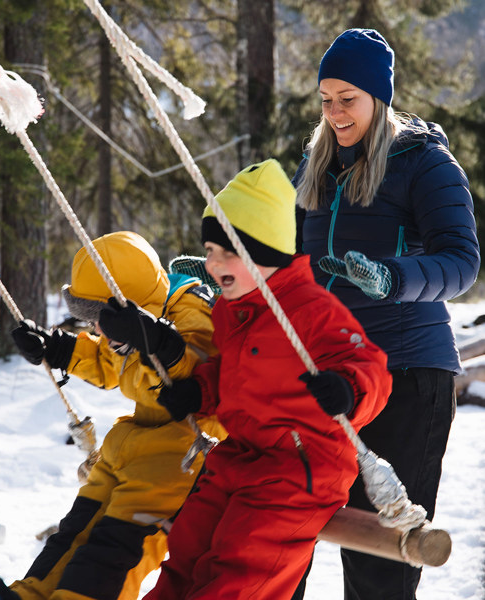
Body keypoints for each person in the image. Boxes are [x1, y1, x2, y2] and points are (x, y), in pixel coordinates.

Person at [143, 158, 392, 599]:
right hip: (240, 455)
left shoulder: (311, 309)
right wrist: (199, 391)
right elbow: (232, 372)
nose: (213, 263)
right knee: (185, 549)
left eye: (227, 253)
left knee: (241, 570)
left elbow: (370, 366)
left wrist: (348, 390)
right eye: (209, 251)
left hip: (299, 470)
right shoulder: (232, 308)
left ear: (264, 253)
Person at [292, 28, 480, 600]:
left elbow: (462, 261)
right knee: (282, 532)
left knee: (382, 561)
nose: (335, 112)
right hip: (332, 374)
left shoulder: (424, 163)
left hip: (406, 374)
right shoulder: (315, 164)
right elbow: (294, 256)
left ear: (379, 97)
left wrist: (394, 277)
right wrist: (233, 274)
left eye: (348, 99)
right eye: (326, 100)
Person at [0, 231, 226, 600]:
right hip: (131, 445)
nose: (97, 327)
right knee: (75, 532)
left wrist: (163, 344)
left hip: (181, 454)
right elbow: (109, 362)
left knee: (115, 546)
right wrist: (59, 348)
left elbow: (203, 372)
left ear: (128, 302)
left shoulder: (190, 308)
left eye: (100, 317)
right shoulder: (127, 326)